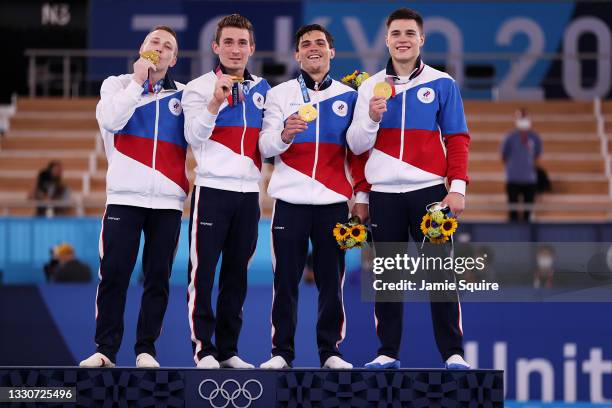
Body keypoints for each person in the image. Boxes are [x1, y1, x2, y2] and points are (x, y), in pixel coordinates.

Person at [347, 8, 470, 369]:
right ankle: (387, 351)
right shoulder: (369, 87)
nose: (402, 39)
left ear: (421, 40)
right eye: (396, 33)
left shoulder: (442, 83)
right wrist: (371, 117)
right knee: (387, 276)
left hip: (429, 192)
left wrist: (458, 187)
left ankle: (453, 352)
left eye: (409, 33)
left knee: (440, 274)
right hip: (384, 194)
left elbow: (457, 138)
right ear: (386, 40)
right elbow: (355, 146)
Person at [258, 24, 370, 370]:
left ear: (332, 52)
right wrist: (284, 135)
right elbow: (264, 147)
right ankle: (281, 353)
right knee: (285, 282)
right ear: (297, 54)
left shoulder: (352, 96)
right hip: (289, 203)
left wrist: (361, 195)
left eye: (320, 43)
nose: (313, 48)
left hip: (333, 203)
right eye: (305, 44)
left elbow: (360, 152)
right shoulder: (279, 95)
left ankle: (330, 352)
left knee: (330, 285)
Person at [79, 26, 187, 369]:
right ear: (142, 47)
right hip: (124, 198)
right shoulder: (116, 85)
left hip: (168, 202)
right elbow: (112, 120)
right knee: (114, 275)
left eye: (167, 46)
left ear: (174, 58)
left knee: (158, 279)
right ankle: (106, 351)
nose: (160, 48)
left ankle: (146, 350)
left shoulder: (185, 96)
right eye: (154, 41)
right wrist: (138, 82)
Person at [182, 14, 270, 369]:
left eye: (242, 43)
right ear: (216, 47)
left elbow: (269, 143)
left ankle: (229, 350)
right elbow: (193, 138)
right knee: (202, 274)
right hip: (212, 191)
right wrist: (214, 103)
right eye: (228, 43)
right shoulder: (197, 88)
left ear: (252, 48)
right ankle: (204, 348)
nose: (235, 50)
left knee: (237, 274)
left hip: (249, 195)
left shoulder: (265, 90)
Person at [501, 108, 543, 222]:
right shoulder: (509, 137)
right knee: (513, 213)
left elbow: (537, 155)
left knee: (528, 215)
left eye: (525, 117)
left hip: (529, 180)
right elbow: (504, 156)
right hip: (513, 179)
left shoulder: (535, 137)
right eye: (520, 117)